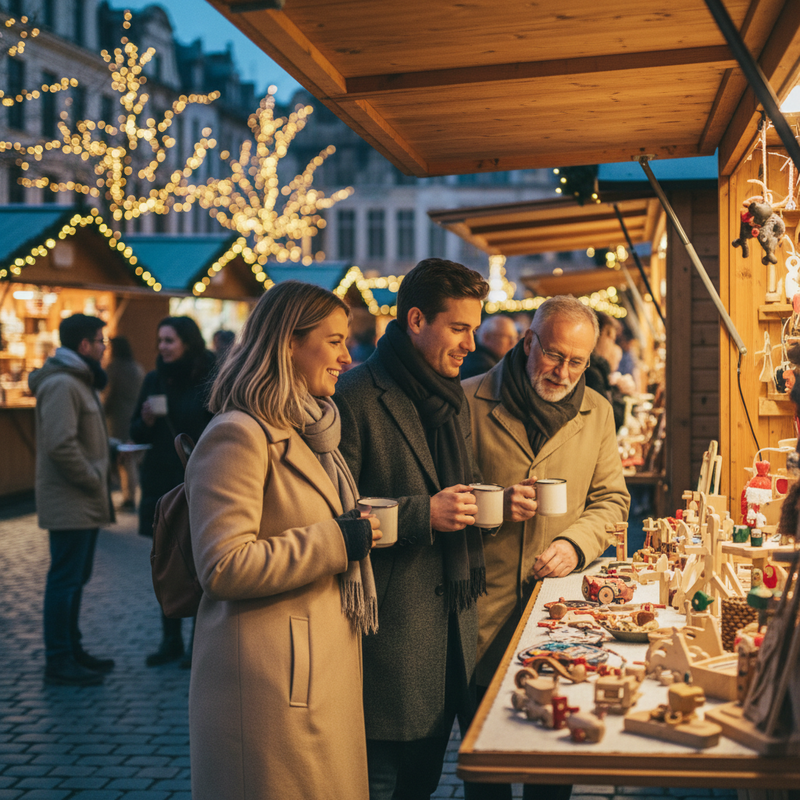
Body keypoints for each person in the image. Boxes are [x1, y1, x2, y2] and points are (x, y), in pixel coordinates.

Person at [185, 281, 380, 800]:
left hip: (312, 672)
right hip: (272, 687)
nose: (347, 354)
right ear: (288, 342)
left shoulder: (310, 430)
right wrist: (338, 540)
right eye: (334, 340)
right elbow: (223, 565)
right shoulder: (239, 434)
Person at [462, 295, 630, 800]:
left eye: (577, 361)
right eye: (554, 355)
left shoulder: (598, 411)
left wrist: (574, 543)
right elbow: (441, 500)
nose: (563, 372)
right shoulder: (467, 402)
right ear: (528, 340)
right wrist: (493, 510)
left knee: (552, 760)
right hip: (481, 612)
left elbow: (611, 501)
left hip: (557, 615)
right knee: (486, 764)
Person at [334, 258, 489, 800]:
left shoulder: (453, 398)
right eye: (460, 327)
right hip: (392, 640)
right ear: (417, 320)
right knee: (381, 785)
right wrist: (426, 514)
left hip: (452, 633)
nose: (472, 342)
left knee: (421, 785)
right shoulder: (354, 396)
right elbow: (336, 520)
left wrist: (484, 510)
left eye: (476, 327)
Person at [29, 314, 115, 686]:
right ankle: (59, 658)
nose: (103, 348)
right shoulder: (65, 383)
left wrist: (107, 450)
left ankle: (71, 649)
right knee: (65, 580)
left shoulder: (78, 380)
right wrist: (93, 476)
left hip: (80, 499)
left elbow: (78, 438)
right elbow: (60, 444)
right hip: (71, 498)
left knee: (75, 578)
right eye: (100, 341)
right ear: (84, 346)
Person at [130, 316, 215, 667]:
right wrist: (147, 420)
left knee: (200, 564)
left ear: (187, 342)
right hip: (161, 484)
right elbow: (136, 432)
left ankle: (199, 643)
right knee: (166, 561)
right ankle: (170, 641)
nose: (162, 347)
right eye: (160, 340)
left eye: (169, 340)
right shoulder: (154, 378)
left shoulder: (208, 375)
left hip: (199, 481)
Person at [103, 336, 144, 511]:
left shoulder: (113, 368)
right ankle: (130, 496)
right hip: (133, 416)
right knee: (129, 458)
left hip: (117, 418)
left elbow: (108, 394)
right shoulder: (137, 367)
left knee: (122, 458)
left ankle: (126, 498)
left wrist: (101, 411)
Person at [460, 314, 518, 379]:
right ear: (486, 337)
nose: (513, 342)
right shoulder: (482, 367)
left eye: (515, 338)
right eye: (509, 337)